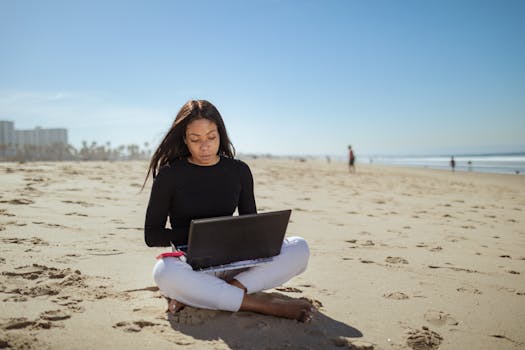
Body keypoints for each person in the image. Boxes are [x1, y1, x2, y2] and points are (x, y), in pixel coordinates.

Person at [143, 100, 313, 322]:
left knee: (299, 248)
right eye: (195, 139)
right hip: (191, 264)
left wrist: (257, 237)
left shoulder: (239, 171)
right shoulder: (169, 176)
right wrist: (200, 234)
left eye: (211, 137)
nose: (204, 146)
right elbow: (152, 235)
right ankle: (259, 305)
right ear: (185, 139)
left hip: (237, 264)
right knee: (163, 272)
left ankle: (214, 292)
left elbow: (249, 222)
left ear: (220, 135)